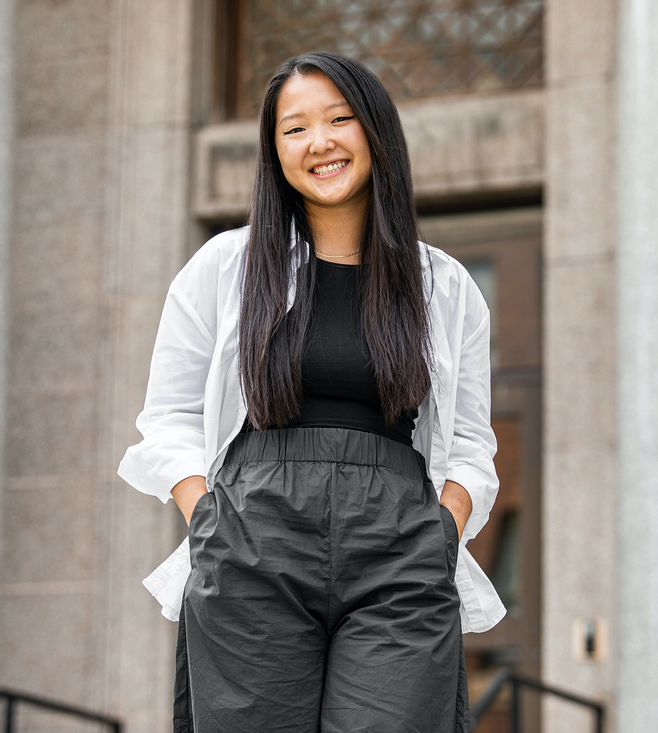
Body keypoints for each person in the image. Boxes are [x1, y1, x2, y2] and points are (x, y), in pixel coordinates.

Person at [119, 51, 504, 733]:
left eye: (339, 119)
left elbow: (471, 442)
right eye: (294, 129)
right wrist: (210, 518)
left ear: (376, 131)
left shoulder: (444, 286)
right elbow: (168, 419)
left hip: (401, 545)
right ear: (274, 152)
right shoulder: (224, 267)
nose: (318, 142)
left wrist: (441, 529)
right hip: (252, 538)